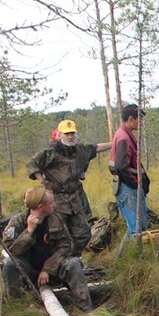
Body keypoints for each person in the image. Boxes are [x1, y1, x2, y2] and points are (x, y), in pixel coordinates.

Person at [1, 186, 93, 312]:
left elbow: (66, 246)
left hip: (53, 271)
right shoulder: (17, 222)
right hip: (28, 271)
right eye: (51, 203)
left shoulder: (55, 219)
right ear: (41, 206)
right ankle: (17, 310)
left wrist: (47, 269)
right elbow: (11, 251)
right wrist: (28, 231)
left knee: (73, 263)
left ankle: (86, 310)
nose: (54, 205)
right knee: (9, 264)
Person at [27, 119, 110, 256]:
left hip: (74, 198)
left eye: (72, 133)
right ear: (59, 135)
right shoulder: (50, 152)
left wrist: (114, 143)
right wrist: (43, 182)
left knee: (83, 233)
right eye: (66, 134)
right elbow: (32, 164)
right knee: (58, 235)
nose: (70, 136)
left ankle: (72, 259)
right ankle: (56, 265)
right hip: (56, 200)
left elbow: (95, 148)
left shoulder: (79, 150)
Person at [110, 104, 150, 236]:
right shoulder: (124, 138)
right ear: (131, 119)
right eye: (140, 119)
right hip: (127, 188)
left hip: (127, 187)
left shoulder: (124, 134)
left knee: (138, 225)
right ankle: (139, 255)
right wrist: (135, 185)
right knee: (137, 229)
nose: (142, 122)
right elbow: (122, 166)